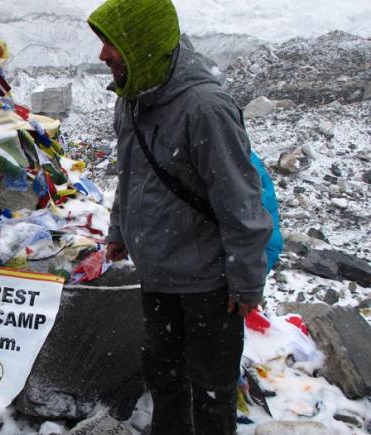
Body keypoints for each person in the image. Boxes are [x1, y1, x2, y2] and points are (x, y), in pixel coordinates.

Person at [88, 0, 274, 434]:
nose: (103, 55)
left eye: (110, 43)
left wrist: (247, 280)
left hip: (210, 284)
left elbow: (241, 201)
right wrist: (119, 229)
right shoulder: (133, 96)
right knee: (164, 379)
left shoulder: (205, 107)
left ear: (141, 42)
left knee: (212, 391)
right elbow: (131, 173)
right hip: (157, 274)